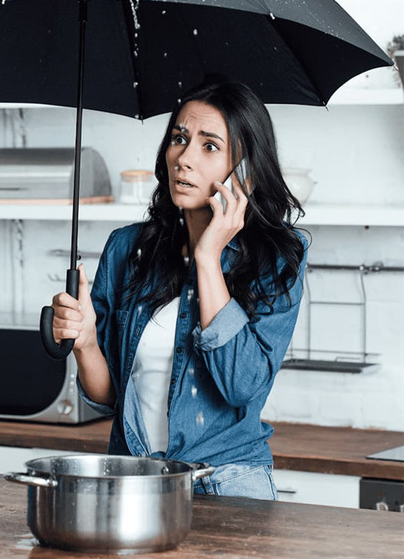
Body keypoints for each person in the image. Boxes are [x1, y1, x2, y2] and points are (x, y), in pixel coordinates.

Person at [51, 80, 309, 501]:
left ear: (246, 172)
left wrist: (208, 258)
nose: (183, 159)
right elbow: (109, 397)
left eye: (209, 146)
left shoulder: (278, 259)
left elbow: (240, 385)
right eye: (179, 139)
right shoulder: (128, 248)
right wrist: (86, 343)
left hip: (228, 487)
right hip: (133, 483)